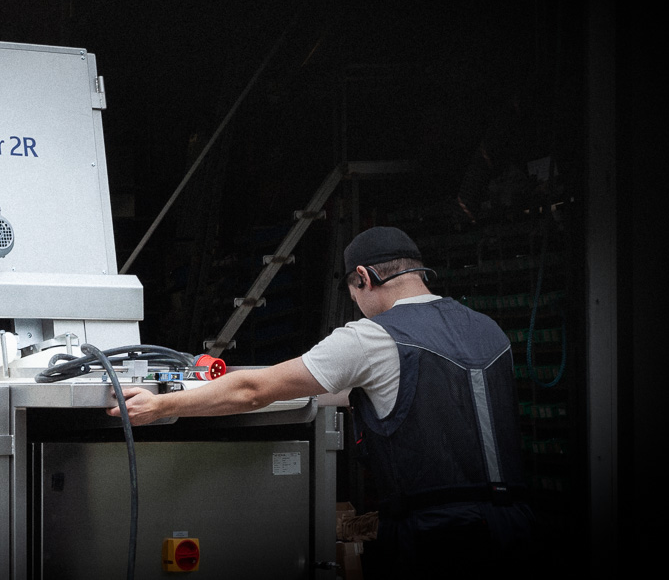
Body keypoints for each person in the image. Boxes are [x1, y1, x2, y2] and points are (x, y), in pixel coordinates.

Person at [110, 226, 533, 577]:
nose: (361, 309)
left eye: (355, 297)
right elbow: (414, 397)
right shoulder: (488, 330)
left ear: (363, 278)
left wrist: (162, 406)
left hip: (436, 540)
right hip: (514, 526)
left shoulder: (373, 336)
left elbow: (256, 391)